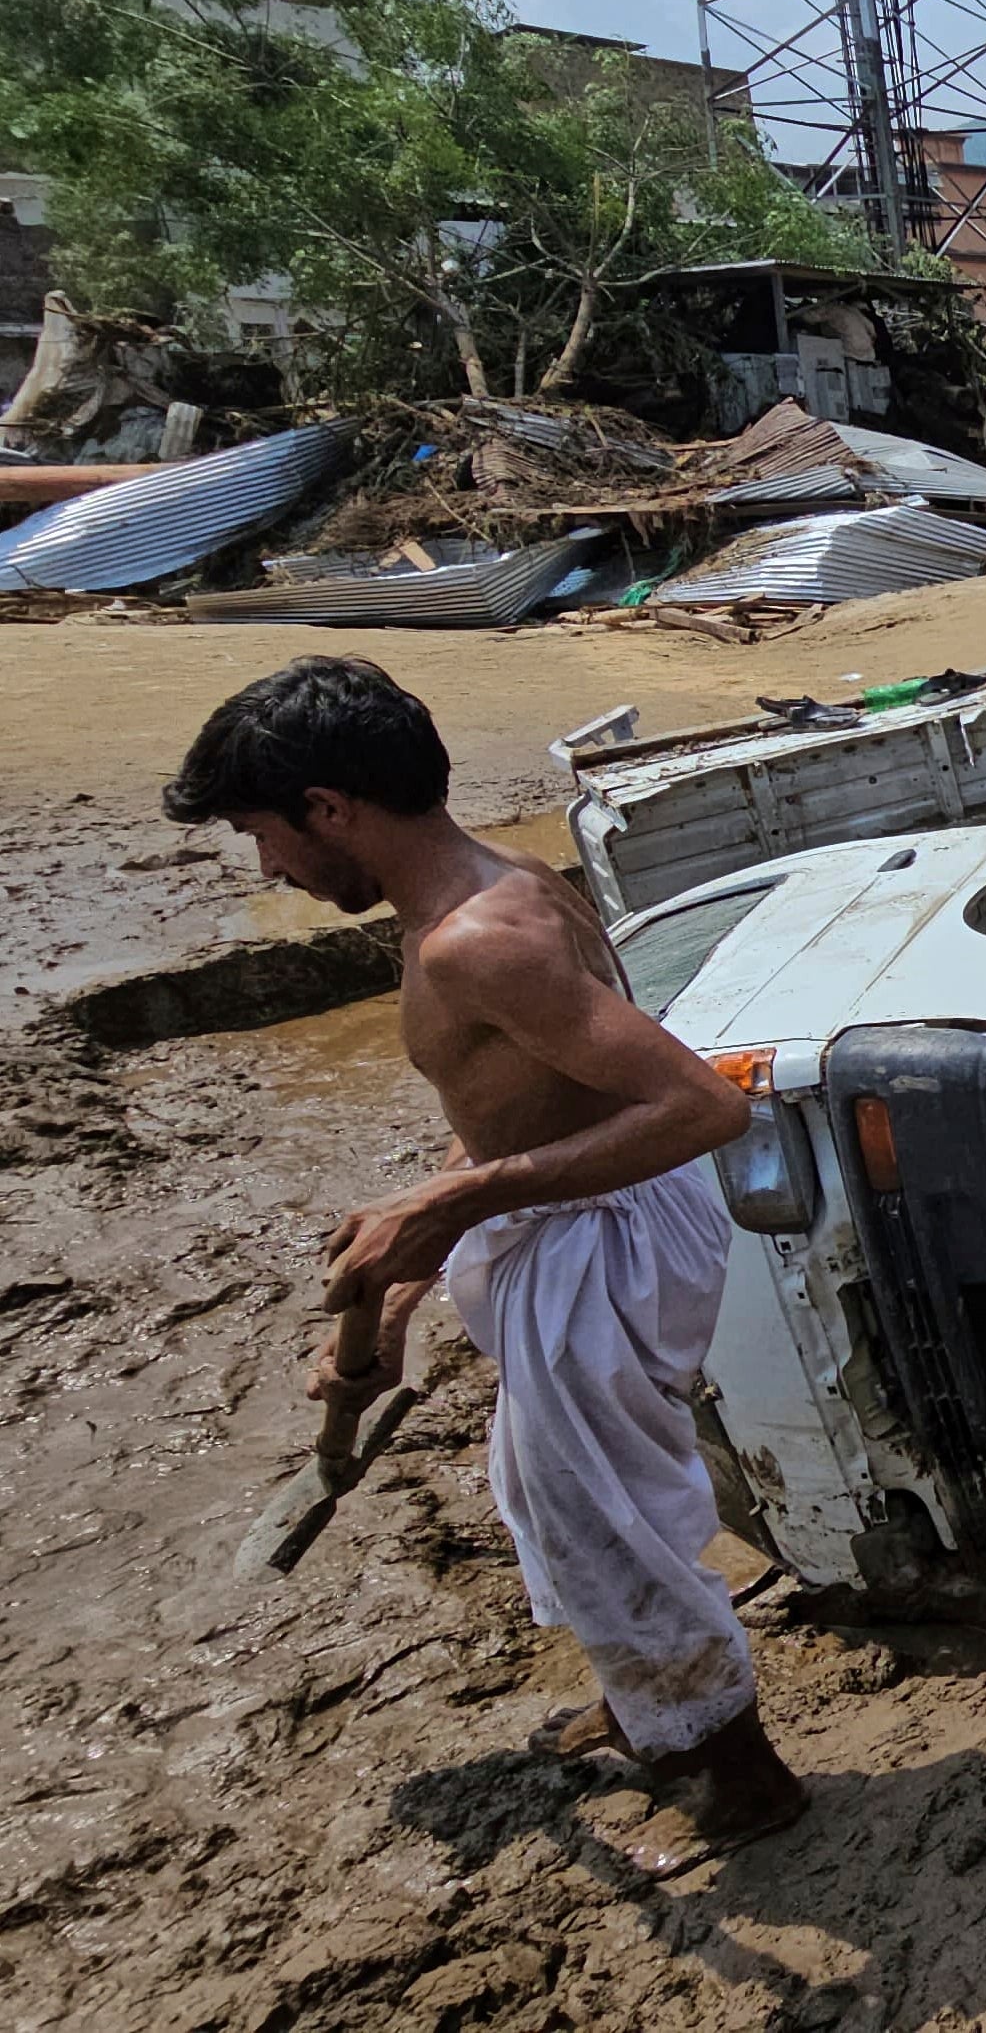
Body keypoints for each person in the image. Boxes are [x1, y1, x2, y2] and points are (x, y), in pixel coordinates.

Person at [163, 659, 803, 1873]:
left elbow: (702, 1108)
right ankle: (646, 1702)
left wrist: (459, 1196)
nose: (270, 874)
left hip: (606, 1232)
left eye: (264, 837)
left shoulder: (476, 942)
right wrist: (412, 1268)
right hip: (569, 1216)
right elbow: (524, 1097)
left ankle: (733, 1773)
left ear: (330, 808)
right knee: (547, 1487)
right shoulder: (493, 883)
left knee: (608, 1519)